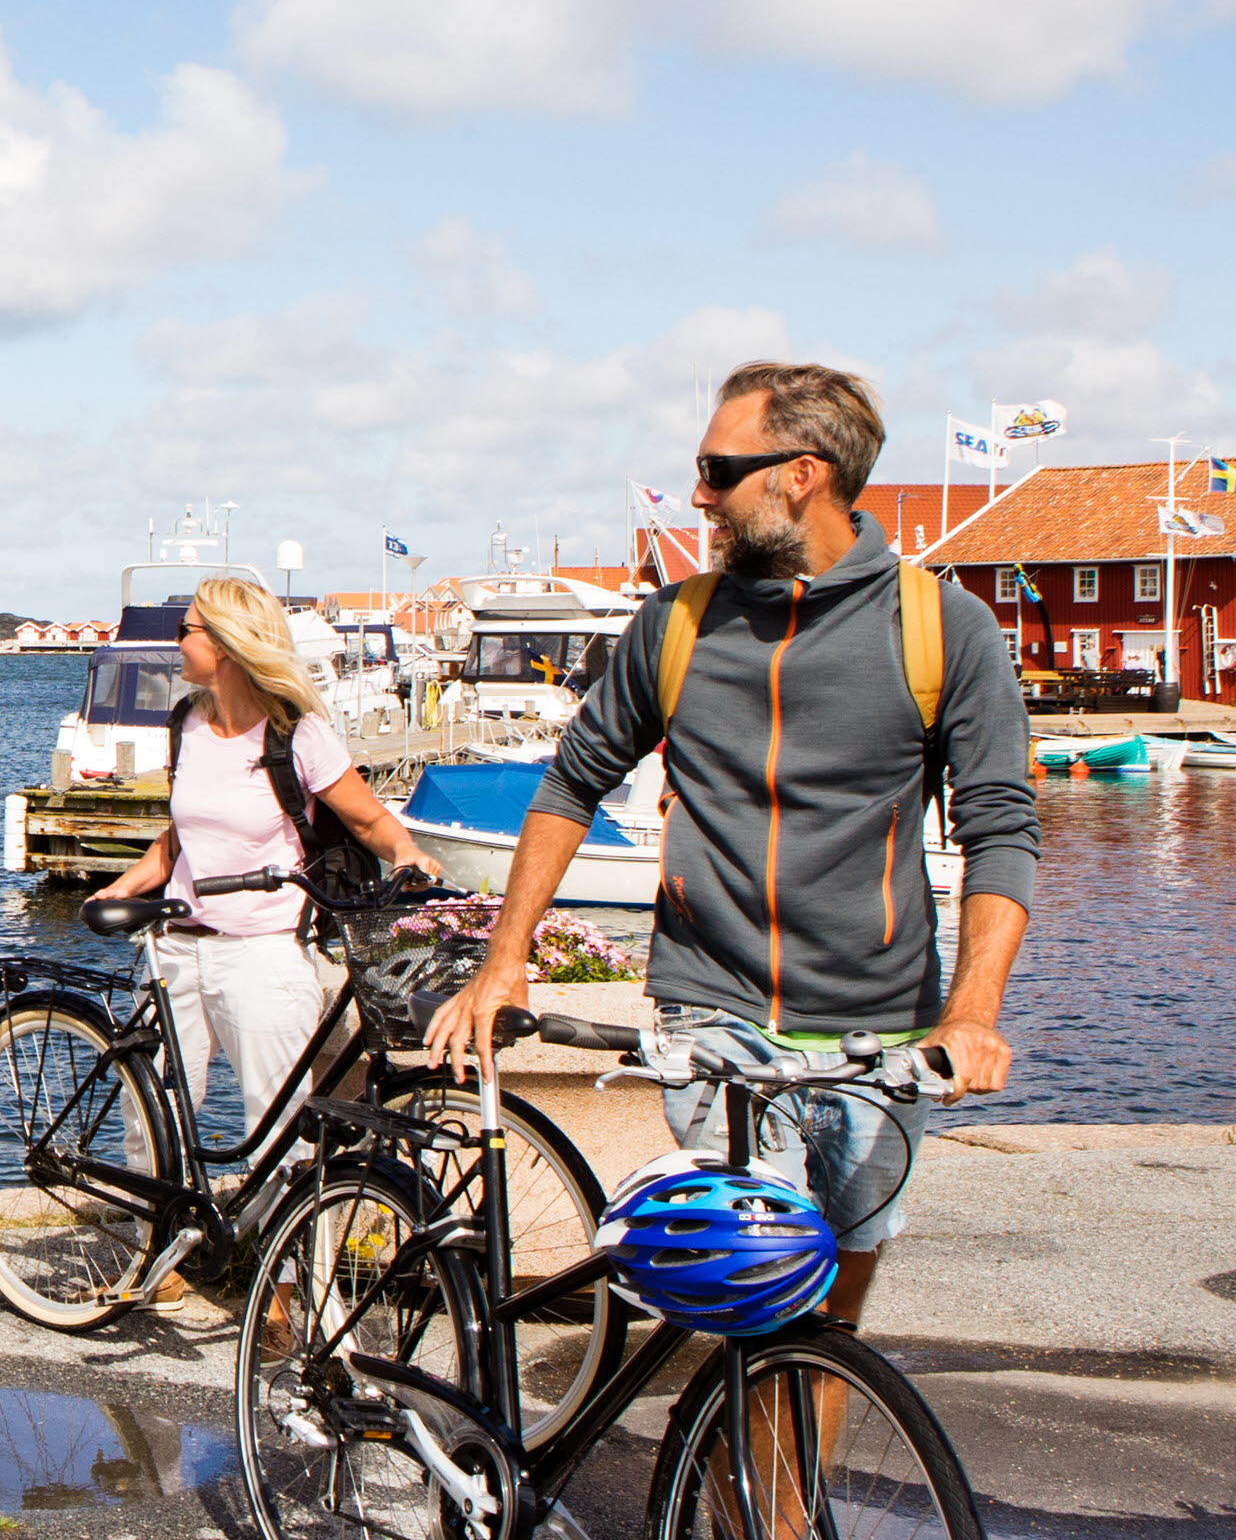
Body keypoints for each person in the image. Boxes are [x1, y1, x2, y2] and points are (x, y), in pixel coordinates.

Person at [428, 361, 1040, 1336]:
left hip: (881, 1027)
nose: (699, 494)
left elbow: (1000, 827)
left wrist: (971, 1013)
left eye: (717, 469)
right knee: (764, 1291)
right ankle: (742, 1417)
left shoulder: (940, 629)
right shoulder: (676, 625)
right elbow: (571, 784)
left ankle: (767, 1436)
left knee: (829, 1327)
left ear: (801, 474)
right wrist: (505, 961)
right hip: (714, 1011)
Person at [87, 574, 430, 1142]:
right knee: (148, 1120)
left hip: (262, 954)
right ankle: (156, 1203)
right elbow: (180, 838)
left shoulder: (296, 734)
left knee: (280, 1125)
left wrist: (407, 853)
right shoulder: (186, 724)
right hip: (175, 948)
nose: (177, 642)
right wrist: (125, 886)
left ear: (224, 643)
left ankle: (277, 1206)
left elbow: (369, 821)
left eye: (186, 630)